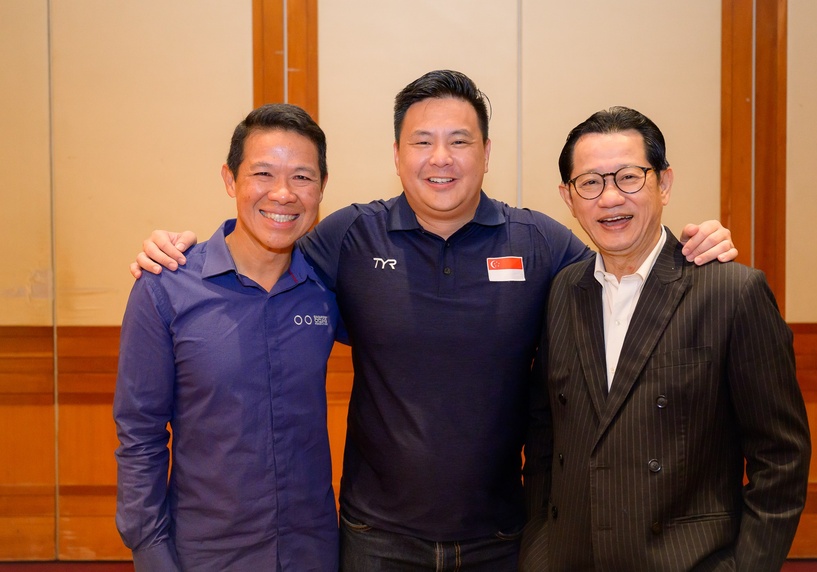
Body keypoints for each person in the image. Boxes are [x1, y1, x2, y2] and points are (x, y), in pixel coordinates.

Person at [130, 71, 738, 571]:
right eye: (422, 141)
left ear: (487, 152)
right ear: (396, 155)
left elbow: (626, 276)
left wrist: (692, 247)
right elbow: (260, 258)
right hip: (375, 539)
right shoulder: (347, 239)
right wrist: (177, 254)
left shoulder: (539, 244)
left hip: (503, 536)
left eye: (460, 140)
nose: (440, 159)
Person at [521, 106, 811, 571]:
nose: (610, 198)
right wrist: (537, 550)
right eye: (590, 183)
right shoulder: (562, 291)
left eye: (629, 177)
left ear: (665, 184)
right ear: (568, 197)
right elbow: (544, 439)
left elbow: (781, 458)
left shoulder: (730, 292)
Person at [114, 103, 343, 571]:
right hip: (205, 554)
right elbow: (140, 435)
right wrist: (151, 553)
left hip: (312, 551)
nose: (282, 194)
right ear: (229, 179)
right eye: (263, 173)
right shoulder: (165, 288)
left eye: (302, 177)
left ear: (322, 187)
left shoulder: (328, 290)